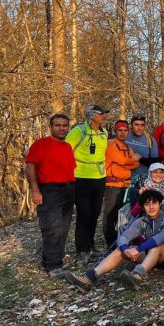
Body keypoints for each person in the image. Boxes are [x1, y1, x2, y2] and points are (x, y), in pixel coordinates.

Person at [63, 189, 164, 292]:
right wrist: (126, 249)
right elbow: (123, 237)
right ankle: (88, 278)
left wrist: (138, 249)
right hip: (151, 257)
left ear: (160, 204)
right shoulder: (142, 221)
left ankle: (137, 275)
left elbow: (162, 236)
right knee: (120, 250)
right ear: (143, 206)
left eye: (154, 203)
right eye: (147, 204)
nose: (151, 207)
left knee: (156, 246)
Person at [25, 114, 76, 277]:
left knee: (64, 227)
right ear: (51, 127)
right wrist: (35, 190)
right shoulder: (40, 144)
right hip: (49, 190)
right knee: (52, 228)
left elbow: (70, 169)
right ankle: (54, 266)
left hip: (68, 189)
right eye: (57, 125)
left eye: (65, 125)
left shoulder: (67, 146)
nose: (62, 128)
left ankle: (51, 259)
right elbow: (30, 167)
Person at [66, 104, 109, 264]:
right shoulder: (79, 131)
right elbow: (65, 150)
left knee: (95, 213)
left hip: (100, 177)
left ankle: (90, 246)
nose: (104, 116)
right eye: (100, 113)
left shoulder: (104, 132)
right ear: (91, 115)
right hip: (81, 178)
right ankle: (82, 250)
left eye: (104, 113)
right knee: (84, 214)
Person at [102, 120, 141, 247]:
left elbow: (136, 164)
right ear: (115, 131)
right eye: (120, 130)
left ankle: (119, 240)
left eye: (125, 130)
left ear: (128, 132)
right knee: (110, 214)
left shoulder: (127, 147)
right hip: (112, 185)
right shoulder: (111, 144)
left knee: (123, 214)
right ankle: (109, 243)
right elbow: (122, 160)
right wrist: (130, 161)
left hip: (126, 185)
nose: (123, 133)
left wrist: (128, 162)